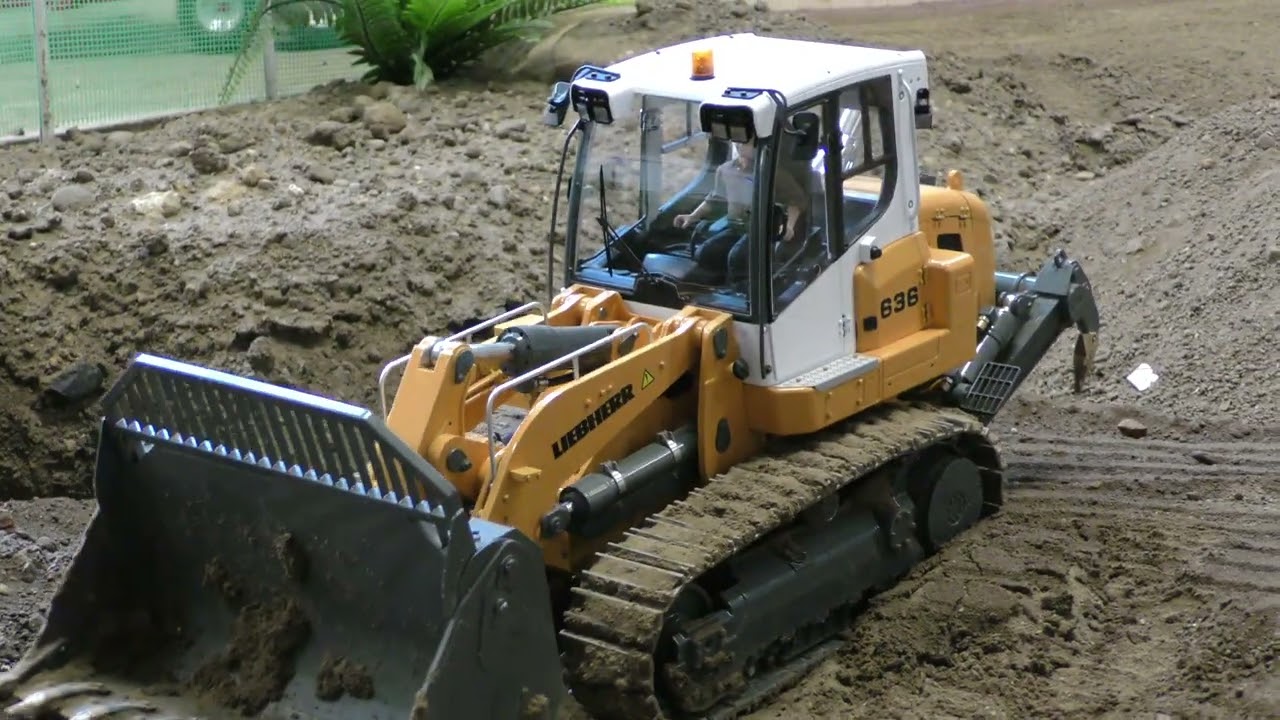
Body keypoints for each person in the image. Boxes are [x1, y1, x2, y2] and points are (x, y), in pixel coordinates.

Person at [673, 138, 809, 285]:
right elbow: (715, 198)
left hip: (760, 231)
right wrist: (692, 216)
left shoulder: (773, 173)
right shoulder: (725, 170)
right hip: (735, 227)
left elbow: (796, 201)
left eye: (746, 142)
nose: (740, 144)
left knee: (737, 258)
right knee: (705, 253)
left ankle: (739, 291)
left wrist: (788, 226)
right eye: (738, 140)